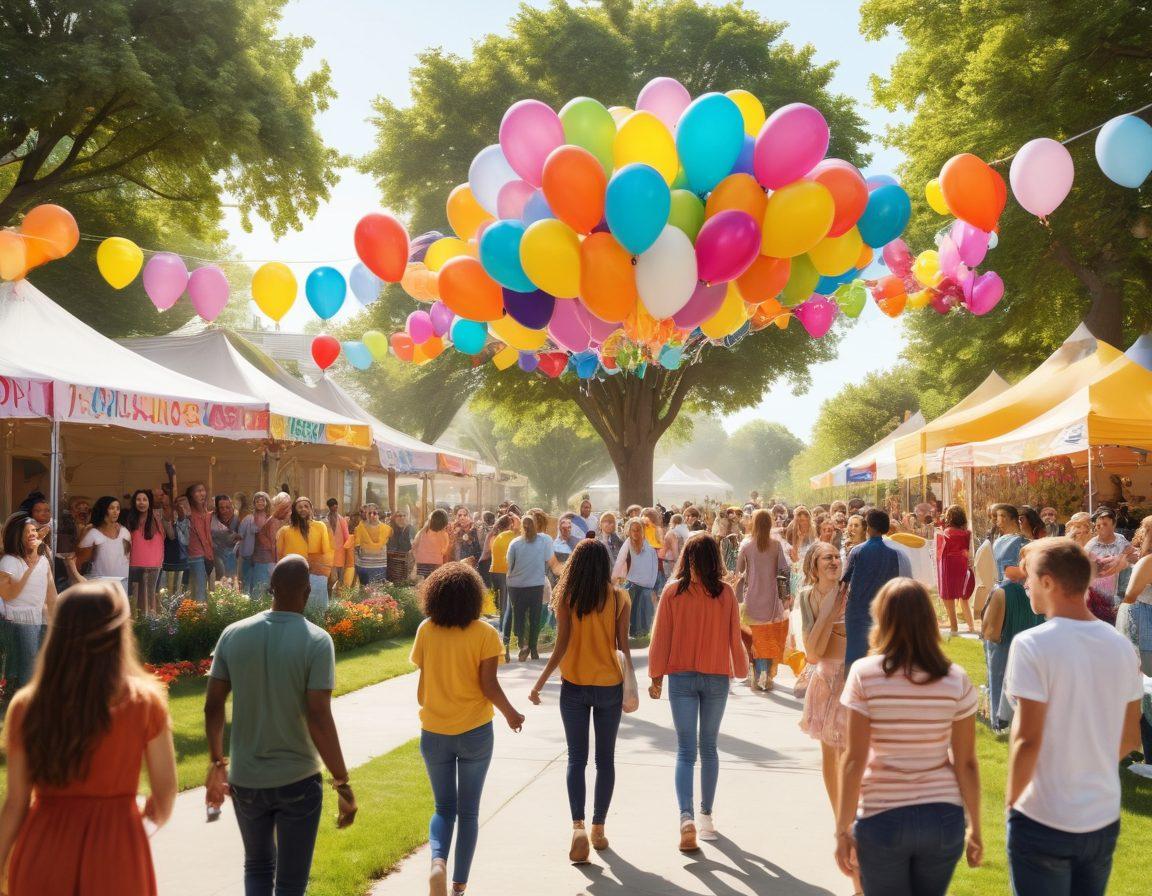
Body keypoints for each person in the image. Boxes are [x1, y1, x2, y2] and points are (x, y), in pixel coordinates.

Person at [0, 581, 176, 894]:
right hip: (117, 852)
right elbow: (164, 797)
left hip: (44, 851)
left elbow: (16, 803)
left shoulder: (27, 706)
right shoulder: (144, 703)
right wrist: (146, 811)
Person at [205, 555, 356, 896]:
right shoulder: (317, 642)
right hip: (298, 780)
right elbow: (318, 716)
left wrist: (217, 761)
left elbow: (213, 705)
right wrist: (342, 782)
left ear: (270, 589)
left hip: (246, 779)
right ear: (306, 592)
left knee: (257, 867)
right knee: (290, 882)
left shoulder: (233, 634)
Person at [1004, 539, 1143, 896]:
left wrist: (1011, 803)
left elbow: (1027, 738)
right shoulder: (1121, 646)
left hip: (1043, 815)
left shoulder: (1032, 644)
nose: (1025, 584)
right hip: (1101, 814)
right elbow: (1130, 739)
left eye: (1030, 577)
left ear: (1048, 582)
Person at [835, 578, 982, 895]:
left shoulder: (865, 674)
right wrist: (977, 829)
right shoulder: (955, 679)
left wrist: (842, 830)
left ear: (883, 619)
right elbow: (967, 762)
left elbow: (854, 759)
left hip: (882, 815)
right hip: (943, 818)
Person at [411, 562, 524, 896]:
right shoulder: (486, 634)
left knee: (443, 808)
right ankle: (459, 886)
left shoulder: (426, 630)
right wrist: (511, 714)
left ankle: (437, 863)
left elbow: (421, 688)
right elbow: (488, 685)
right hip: (475, 732)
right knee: (468, 812)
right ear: (476, 597)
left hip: (434, 732)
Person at [529, 540, 632, 862]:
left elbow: (560, 647)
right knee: (605, 760)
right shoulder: (618, 597)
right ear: (605, 564)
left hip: (573, 686)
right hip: (609, 686)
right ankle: (598, 827)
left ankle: (577, 826)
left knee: (576, 759)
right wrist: (633, 687)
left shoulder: (569, 597)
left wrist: (539, 683)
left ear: (575, 564)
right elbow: (624, 646)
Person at [648, 533, 746, 851]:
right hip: (717, 676)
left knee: (685, 751)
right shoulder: (727, 594)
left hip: (680, 676)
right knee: (710, 748)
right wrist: (742, 670)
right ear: (715, 559)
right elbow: (735, 637)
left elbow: (660, 637)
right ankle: (706, 817)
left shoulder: (672, 592)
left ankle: (685, 817)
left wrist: (655, 676)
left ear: (686, 558)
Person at [797, 544, 850, 829]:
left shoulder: (850, 592)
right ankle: (840, 819)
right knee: (829, 751)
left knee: (847, 751)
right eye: (826, 558)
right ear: (814, 565)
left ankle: (851, 815)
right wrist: (832, 628)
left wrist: (835, 632)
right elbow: (811, 647)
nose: (833, 561)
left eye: (836, 557)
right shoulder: (806, 597)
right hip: (823, 680)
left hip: (849, 678)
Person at [981, 565, 1045, 733]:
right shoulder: (1042, 589)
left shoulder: (1003, 591)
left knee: (1000, 678)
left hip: (1006, 643)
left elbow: (990, 633)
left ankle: (1000, 721)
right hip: (1032, 644)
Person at [0, 513, 57, 699]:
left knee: (41, 663)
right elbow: (9, 594)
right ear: (17, 536)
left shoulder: (43, 561)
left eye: (34, 530)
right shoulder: (8, 561)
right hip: (18, 621)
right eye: (27, 532)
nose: (33, 534)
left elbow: (51, 593)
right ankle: (21, 701)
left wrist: (57, 620)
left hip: (40, 618)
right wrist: (31, 566)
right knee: (26, 666)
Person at [736, 509, 792, 692]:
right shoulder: (776, 545)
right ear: (770, 525)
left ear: (753, 523)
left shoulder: (746, 545)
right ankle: (766, 673)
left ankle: (757, 671)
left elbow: (739, 571)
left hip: (751, 597)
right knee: (767, 636)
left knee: (754, 637)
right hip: (771, 597)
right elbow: (784, 571)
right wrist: (786, 596)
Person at [840, 509, 902, 669]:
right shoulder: (894, 555)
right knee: (879, 653)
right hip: (882, 610)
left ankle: (852, 687)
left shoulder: (857, 551)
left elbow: (844, 581)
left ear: (869, 528)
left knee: (854, 653)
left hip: (857, 610)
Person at [1121, 516, 1152, 773]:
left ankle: (1148, 755)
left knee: (1144, 688)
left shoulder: (1148, 561)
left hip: (1144, 627)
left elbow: (1130, 594)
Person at [505, 515, 558, 661]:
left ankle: (522, 644)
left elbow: (509, 564)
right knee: (534, 617)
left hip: (516, 586)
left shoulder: (514, 543)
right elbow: (549, 559)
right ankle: (533, 649)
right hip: (535, 584)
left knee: (520, 617)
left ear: (521, 527)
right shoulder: (543, 541)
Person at [275, 497, 333, 614]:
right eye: (299, 507)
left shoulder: (320, 526)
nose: (303, 509)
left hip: (316, 575)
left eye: (306, 506)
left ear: (311, 509)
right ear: (294, 510)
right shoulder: (284, 531)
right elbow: (280, 556)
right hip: (292, 575)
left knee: (317, 610)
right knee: (294, 608)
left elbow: (326, 551)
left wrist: (325, 572)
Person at [1085, 506, 1136, 622]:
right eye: (1098, 525)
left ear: (1114, 525)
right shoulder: (1091, 545)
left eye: (1105, 524)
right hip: (1098, 595)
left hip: (1119, 593)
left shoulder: (1121, 540)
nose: (1101, 528)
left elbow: (1134, 556)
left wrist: (1126, 556)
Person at [71, 496, 132, 593]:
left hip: (122, 586)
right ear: (104, 510)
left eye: (118, 508)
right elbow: (79, 564)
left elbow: (127, 559)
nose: (116, 511)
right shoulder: (93, 534)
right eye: (111, 508)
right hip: (99, 588)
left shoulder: (125, 532)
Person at [613, 518, 659, 638]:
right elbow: (619, 562)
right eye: (633, 530)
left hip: (646, 585)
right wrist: (613, 579)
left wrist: (652, 584)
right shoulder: (628, 543)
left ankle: (643, 634)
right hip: (632, 583)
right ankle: (632, 635)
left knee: (644, 611)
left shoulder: (648, 546)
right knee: (633, 611)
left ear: (642, 531)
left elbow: (654, 566)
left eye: (638, 530)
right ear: (629, 531)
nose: (635, 533)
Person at [936, 504, 975, 634]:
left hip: (948, 565)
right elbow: (966, 550)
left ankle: (954, 627)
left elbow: (941, 551)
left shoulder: (946, 533)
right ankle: (971, 626)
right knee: (963, 599)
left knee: (948, 597)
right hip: (962, 566)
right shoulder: (966, 533)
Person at [124, 489, 164, 616]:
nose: (141, 503)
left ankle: (150, 628)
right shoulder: (129, 520)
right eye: (138, 499)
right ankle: (137, 628)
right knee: (135, 600)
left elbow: (163, 539)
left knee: (151, 598)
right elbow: (125, 544)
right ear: (134, 502)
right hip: (134, 565)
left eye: (145, 499)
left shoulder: (157, 520)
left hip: (154, 566)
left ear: (149, 502)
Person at [184, 482, 214, 602]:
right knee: (199, 590)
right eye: (198, 491)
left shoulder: (207, 512)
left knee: (206, 590)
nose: (202, 493)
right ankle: (198, 617)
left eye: (203, 490)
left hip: (208, 555)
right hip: (195, 555)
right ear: (191, 495)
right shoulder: (188, 512)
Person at [237, 491, 270, 596]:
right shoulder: (248, 519)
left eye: (262, 500)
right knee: (248, 582)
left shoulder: (270, 519)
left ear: (267, 502)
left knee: (263, 583)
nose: (260, 503)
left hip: (265, 556)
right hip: (248, 555)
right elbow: (240, 537)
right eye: (257, 501)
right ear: (254, 503)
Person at [353, 503, 391, 585]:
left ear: (378, 514)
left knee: (379, 591)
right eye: (369, 513)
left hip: (380, 565)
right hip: (365, 566)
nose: (372, 515)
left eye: (374, 513)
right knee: (365, 592)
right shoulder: (359, 529)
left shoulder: (387, 529)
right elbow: (357, 548)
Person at [991, 504, 1028, 582]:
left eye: (1002, 515)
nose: (998, 519)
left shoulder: (1021, 540)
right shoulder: (998, 540)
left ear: (1013, 519)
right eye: (998, 516)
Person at [210, 494, 241, 586]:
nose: (225, 511)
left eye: (228, 507)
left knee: (232, 583)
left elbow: (240, 539)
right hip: (216, 556)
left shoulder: (236, 519)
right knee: (219, 584)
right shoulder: (212, 520)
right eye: (222, 508)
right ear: (217, 509)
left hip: (232, 557)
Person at [414, 509, 452, 580]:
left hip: (421, 562)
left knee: (423, 582)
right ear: (444, 522)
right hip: (436, 563)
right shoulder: (444, 535)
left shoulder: (423, 532)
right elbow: (444, 551)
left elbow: (415, 544)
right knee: (433, 583)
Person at [324, 498, 351, 590]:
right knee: (329, 579)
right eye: (332, 506)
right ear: (329, 507)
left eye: (336, 505)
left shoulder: (342, 520)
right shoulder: (325, 520)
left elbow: (346, 535)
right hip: (328, 553)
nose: (335, 507)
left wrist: (348, 549)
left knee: (340, 578)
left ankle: (339, 598)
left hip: (340, 552)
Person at [387, 509, 414, 583]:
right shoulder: (390, 528)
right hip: (392, 560)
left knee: (402, 582)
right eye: (399, 516)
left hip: (405, 559)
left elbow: (413, 543)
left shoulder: (410, 528)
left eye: (404, 516)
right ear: (394, 518)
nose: (402, 517)